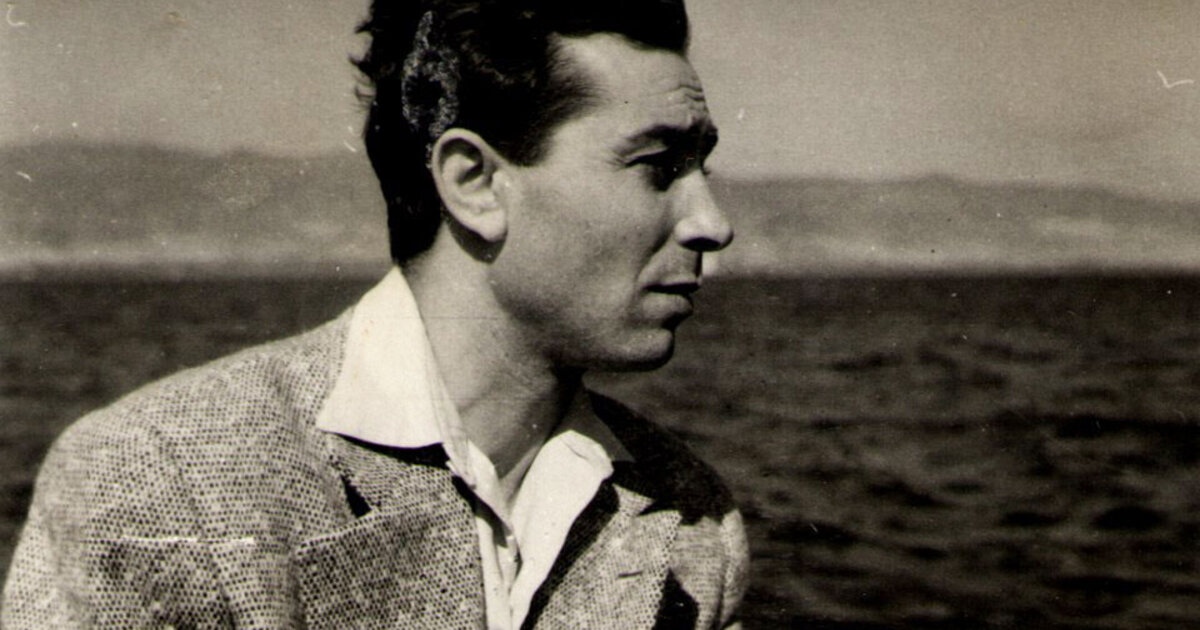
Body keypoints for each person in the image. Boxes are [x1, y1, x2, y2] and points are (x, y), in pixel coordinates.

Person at [1, 1, 748, 627]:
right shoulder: (160, 477)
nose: (712, 223)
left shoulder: (692, 519)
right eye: (659, 167)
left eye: (702, 168)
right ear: (474, 184)